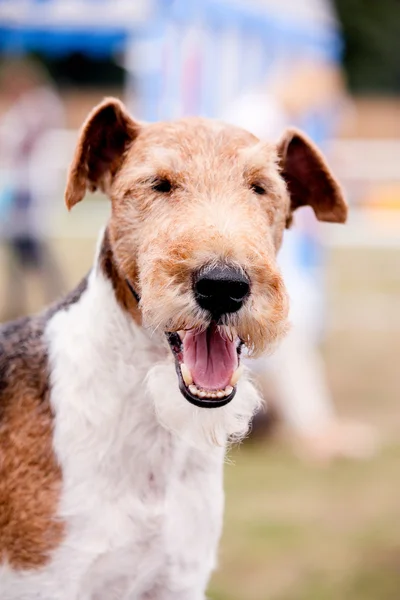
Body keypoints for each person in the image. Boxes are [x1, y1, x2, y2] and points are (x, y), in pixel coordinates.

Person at [0, 57, 65, 319]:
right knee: (15, 246)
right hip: (20, 185)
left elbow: (23, 141)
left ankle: (54, 296)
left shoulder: (40, 104)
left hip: (31, 186)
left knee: (34, 246)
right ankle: (20, 300)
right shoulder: (26, 107)